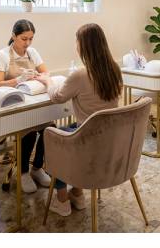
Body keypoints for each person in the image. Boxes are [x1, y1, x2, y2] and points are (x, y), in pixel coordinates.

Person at [45, 23, 123, 217]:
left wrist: (47, 81)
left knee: (52, 141)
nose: (76, 45)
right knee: (69, 128)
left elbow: (57, 97)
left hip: (88, 141)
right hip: (109, 138)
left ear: (84, 46)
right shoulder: (114, 69)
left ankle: (62, 200)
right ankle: (78, 194)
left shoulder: (81, 75)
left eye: (77, 41)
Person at [0, 19, 52, 193]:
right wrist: (18, 80)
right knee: (29, 131)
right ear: (13, 36)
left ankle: (37, 168)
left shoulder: (32, 53)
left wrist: (37, 77)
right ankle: (23, 172)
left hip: (31, 103)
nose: (28, 43)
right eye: (24, 39)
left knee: (50, 129)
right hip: (11, 108)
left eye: (31, 39)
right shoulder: (2, 55)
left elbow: (46, 73)